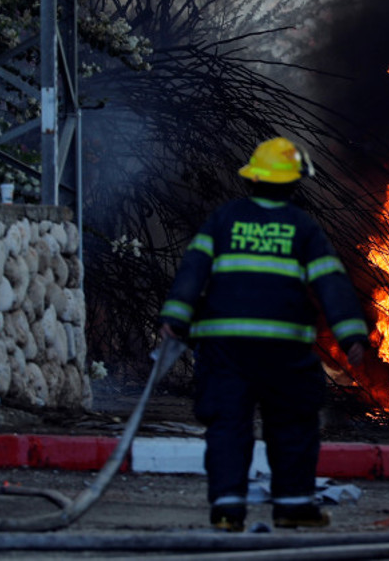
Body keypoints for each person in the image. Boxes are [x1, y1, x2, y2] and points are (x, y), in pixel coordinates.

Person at [158, 137, 369, 532]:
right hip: (283, 350)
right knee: (292, 424)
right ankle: (292, 506)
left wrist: (175, 317)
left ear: (252, 180)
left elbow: (193, 270)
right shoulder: (302, 228)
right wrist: (350, 334)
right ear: (292, 185)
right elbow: (331, 282)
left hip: (224, 349)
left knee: (227, 425)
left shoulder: (224, 219)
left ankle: (226, 509)